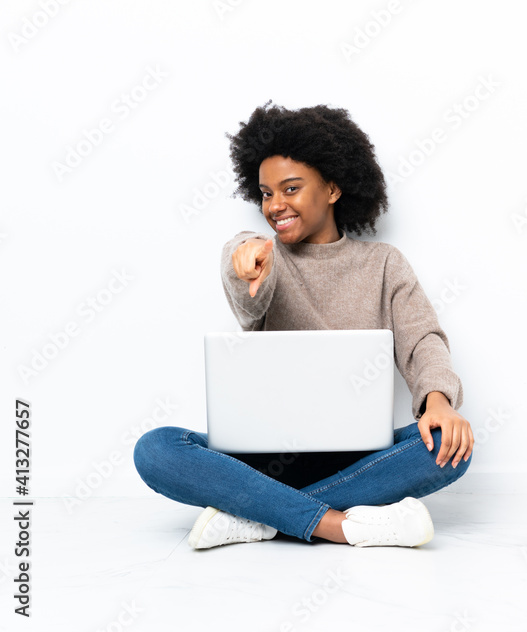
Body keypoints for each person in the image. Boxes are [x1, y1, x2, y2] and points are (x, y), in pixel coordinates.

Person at [133, 101, 474, 550]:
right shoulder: (262, 258)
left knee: (450, 446)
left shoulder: (384, 263)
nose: (275, 205)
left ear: (332, 188)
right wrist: (243, 258)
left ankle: (258, 514)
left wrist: (438, 402)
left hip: (357, 457)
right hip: (263, 458)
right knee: (156, 448)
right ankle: (338, 524)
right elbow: (243, 271)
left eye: (290, 189)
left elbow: (423, 340)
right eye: (265, 193)